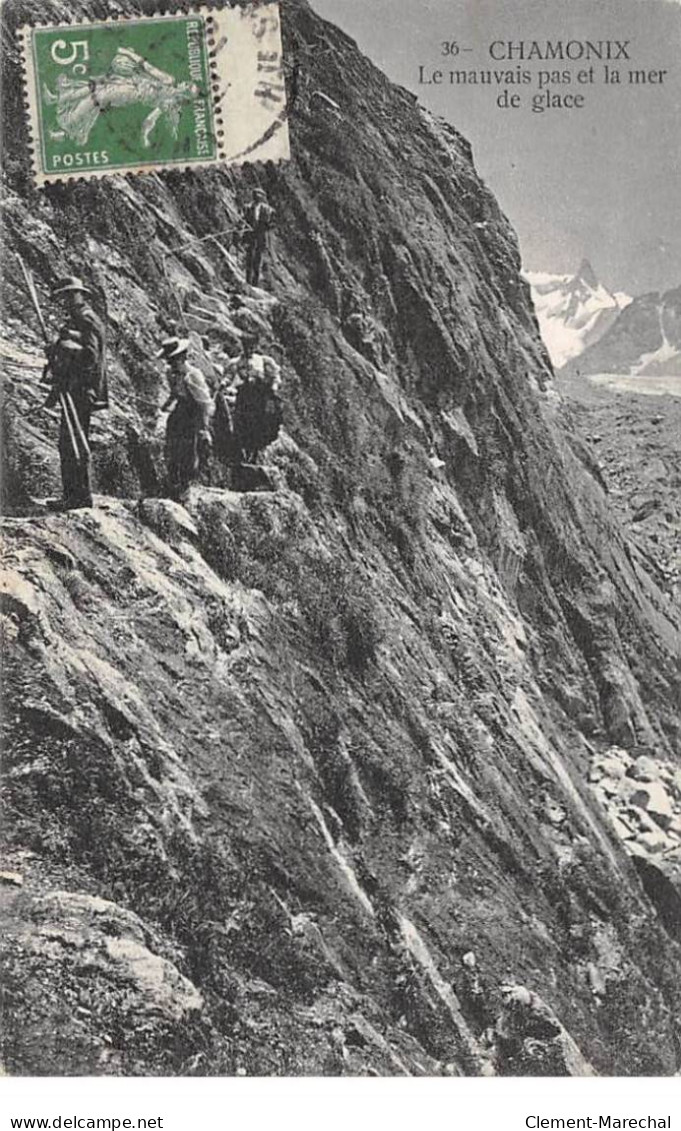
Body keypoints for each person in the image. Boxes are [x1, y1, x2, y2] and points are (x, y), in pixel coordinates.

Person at [43, 276, 107, 511]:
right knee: (69, 442)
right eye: (63, 297)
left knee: (73, 442)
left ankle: (78, 498)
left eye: (68, 296)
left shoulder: (86, 318)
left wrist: (62, 351)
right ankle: (74, 496)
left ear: (78, 295)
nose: (65, 301)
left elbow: (90, 357)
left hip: (81, 388)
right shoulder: (81, 318)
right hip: (76, 386)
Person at [158, 337, 214, 501]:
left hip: (193, 413)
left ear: (182, 357)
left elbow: (204, 403)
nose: (171, 364)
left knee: (188, 449)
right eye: (169, 360)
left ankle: (185, 486)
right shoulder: (171, 373)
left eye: (174, 360)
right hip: (180, 411)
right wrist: (165, 406)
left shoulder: (193, 375)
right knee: (171, 445)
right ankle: (173, 481)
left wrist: (203, 427)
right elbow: (174, 394)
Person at [219, 334, 283, 464]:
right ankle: (242, 453)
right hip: (244, 396)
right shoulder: (236, 362)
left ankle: (254, 453)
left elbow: (276, 376)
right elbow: (229, 376)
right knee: (242, 423)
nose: (250, 350)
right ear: (243, 347)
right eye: (247, 347)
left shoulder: (263, 360)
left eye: (252, 347)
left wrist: (274, 386)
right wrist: (224, 383)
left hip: (259, 397)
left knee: (259, 425)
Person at [242, 188, 275, 287]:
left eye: (259, 195)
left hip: (261, 236)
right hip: (250, 235)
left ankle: (255, 283)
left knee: (258, 259)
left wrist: (267, 225)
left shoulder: (268, 210)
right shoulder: (247, 207)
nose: (257, 197)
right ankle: (248, 281)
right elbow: (242, 220)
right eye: (255, 195)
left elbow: (273, 224)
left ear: (263, 197)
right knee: (249, 258)